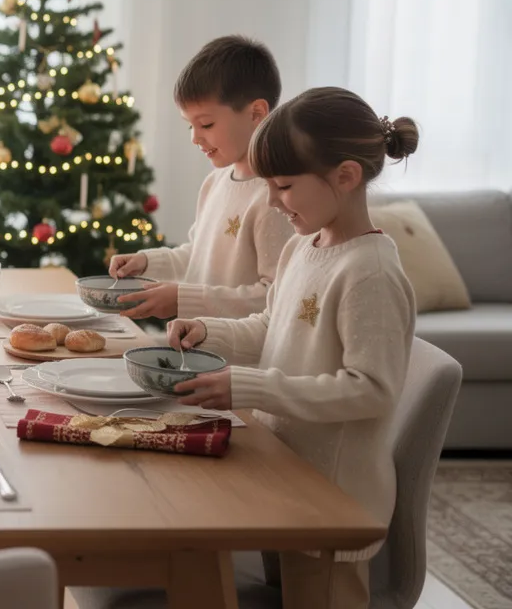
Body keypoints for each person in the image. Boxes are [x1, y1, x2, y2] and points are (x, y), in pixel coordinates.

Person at [167, 88, 420, 608]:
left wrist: (249, 385)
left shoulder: (370, 271)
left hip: (333, 504)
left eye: (283, 186)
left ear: (346, 177)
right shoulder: (304, 246)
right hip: (287, 478)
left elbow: (370, 389)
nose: (273, 202)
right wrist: (207, 330)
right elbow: (270, 325)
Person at [109, 35, 295, 320]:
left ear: (256, 113)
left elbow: (276, 296)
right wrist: (146, 263)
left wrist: (185, 300)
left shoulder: (277, 198)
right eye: (190, 125)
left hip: (239, 362)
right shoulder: (215, 183)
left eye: (206, 124)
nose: (195, 137)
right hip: (193, 351)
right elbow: (197, 256)